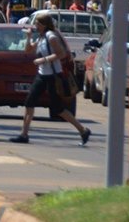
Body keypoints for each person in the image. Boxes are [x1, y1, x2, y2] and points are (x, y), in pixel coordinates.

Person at [9, 14, 90, 146]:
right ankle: (24, 134)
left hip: (52, 76)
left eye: (37, 24)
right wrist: (29, 36)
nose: (35, 26)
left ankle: (83, 130)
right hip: (42, 75)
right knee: (29, 102)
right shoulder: (41, 37)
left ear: (44, 24)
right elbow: (28, 50)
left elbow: (61, 53)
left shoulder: (50, 36)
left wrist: (44, 59)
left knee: (57, 108)